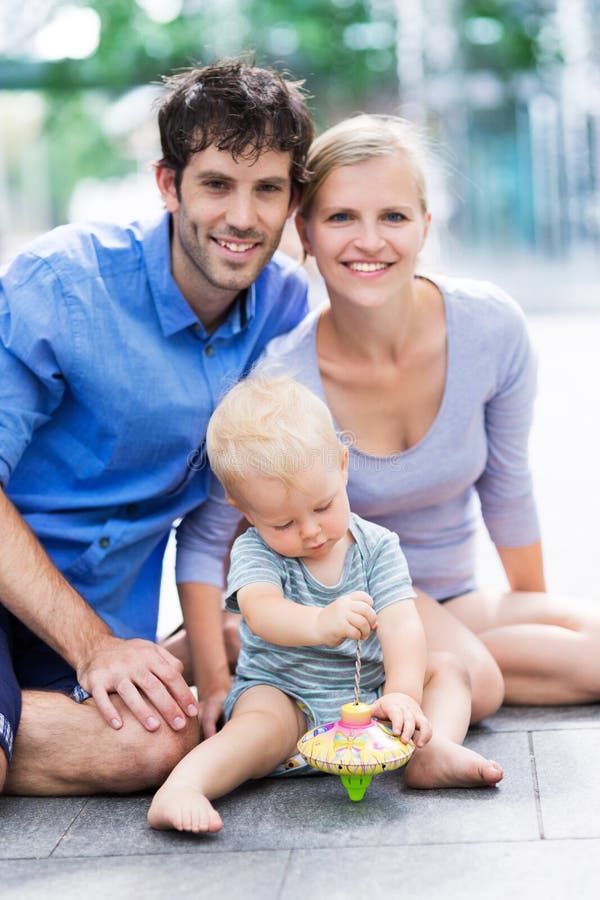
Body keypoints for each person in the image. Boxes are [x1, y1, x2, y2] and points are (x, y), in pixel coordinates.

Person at [177, 114, 600, 789]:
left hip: (452, 596)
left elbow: (509, 486)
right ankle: (426, 705)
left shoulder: (491, 327)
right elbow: (206, 540)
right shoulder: (282, 379)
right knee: (481, 682)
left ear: (426, 228)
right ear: (305, 235)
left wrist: (532, 608)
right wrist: (215, 675)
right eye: (342, 217)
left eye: (394, 216)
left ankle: (425, 670)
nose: (369, 241)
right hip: (350, 598)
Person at [0, 58, 314, 795]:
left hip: (89, 621)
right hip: (39, 602)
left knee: (156, 744)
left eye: (267, 188)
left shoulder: (283, 310)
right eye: (216, 184)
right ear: (169, 184)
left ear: (292, 200)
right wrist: (95, 647)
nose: (243, 216)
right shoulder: (62, 285)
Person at [149, 373, 467, 833]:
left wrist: (402, 693)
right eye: (283, 523)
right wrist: (321, 621)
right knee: (256, 723)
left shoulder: (377, 546)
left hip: (371, 699)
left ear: (342, 465)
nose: (311, 531)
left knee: (448, 670)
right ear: (245, 510)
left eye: (322, 507)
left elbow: (401, 623)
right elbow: (262, 612)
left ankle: (433, 752)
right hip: (287, 695)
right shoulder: (255, 551)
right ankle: (183, 787)